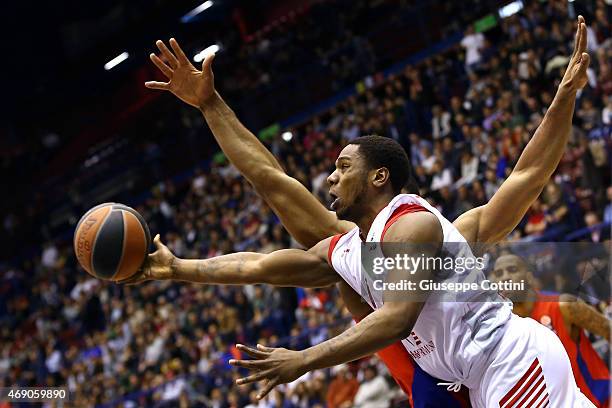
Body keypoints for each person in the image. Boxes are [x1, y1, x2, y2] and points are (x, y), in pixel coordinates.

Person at [138, 16, 593, 408]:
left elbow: (526, 176)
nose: (330, 177)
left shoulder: (414, 225)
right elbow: (256, 257)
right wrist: (178, 267)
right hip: (476, 382)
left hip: (511, 364)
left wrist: (303, 359)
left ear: (379, 177)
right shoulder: (348, 251)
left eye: (342, 166)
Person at [490, 254, 610, 407]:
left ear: (529, 277)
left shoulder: (563, 305)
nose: (505, 278)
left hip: (598, 400)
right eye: (499, 274)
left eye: (512, 270)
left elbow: (608, 330)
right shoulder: (501, 330)